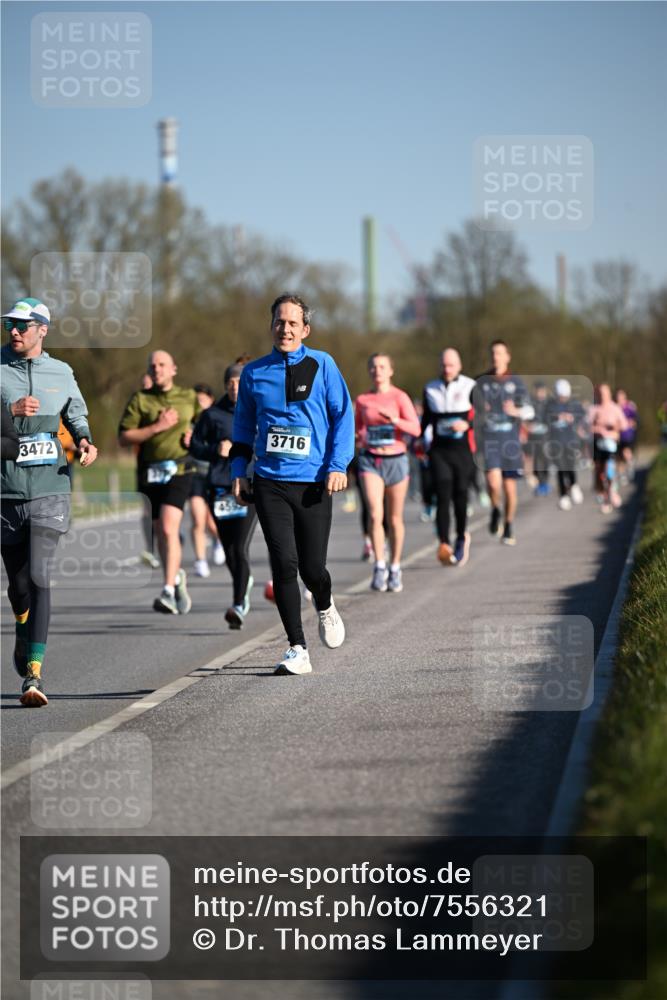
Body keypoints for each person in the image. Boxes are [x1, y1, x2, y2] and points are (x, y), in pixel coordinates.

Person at [231, 293, 354, 675]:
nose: (285, 329)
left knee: (313, 568)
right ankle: (297, 647)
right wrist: (238, 469)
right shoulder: (255, 373)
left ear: (305, 329)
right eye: (279, 322)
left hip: (315, 481)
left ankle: (325, 603)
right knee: (284, 563)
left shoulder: (323, 364)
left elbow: (342, 416)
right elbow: (242, 426)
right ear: (272, 327)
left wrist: (338, 465)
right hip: (270, 482)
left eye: (292, 323)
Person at [1, 298, 97, 706]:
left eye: (24, 325)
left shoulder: (62, 372)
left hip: (50, 488)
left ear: (43, 329)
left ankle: (34, 675)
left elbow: (76, 413)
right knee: (18, 586)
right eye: (11, 325)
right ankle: (23, 629)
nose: (14, 331)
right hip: (6, 491)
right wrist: (10, 409)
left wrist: (84, 439)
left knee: (40, 575)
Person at [118, 350, 202, 613]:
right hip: (150, 472)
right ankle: (176, 578)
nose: (157, 369)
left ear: (173, 369)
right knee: (160, 532)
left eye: (162, 365)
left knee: (167, 527)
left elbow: (205, 427)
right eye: (153, 366)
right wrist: (156, 427)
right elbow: (124, 437)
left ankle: (166, 591)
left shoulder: (189, 398)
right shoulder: (141, 400)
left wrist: (195, 437)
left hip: (179, 469)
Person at [190, 362, 258, 628]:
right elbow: (195, 445)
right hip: (219, 488)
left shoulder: (256, 410)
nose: (234, 386)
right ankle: (243, 582)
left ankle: (239, 603)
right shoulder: (212, 414)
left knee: (239, 547)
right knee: (229, 549)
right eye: (230, 381)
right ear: (224, 384)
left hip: (248, 486)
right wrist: (215, 448)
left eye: (239, 381)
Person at [355, 354, 421, 592]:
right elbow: (358, 430)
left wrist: (396, 421)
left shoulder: (399, 397)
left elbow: (415, 428)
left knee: (394, 519)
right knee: (374, 514)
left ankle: (395, 567)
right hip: (371, 460)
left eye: (382, 366)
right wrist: (361, 437)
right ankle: (379, 566)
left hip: (396, 460)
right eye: (373, 367)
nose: (377, 370)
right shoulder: (363, 400)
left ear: (391, 370)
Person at [474, 340, 534, 545]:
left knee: (510, 489)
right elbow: (470, 407)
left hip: (510, 442)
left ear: (507, 357)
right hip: (489, 441)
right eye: (493, 353)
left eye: (500, 353)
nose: (495, 356)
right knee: (493, 483)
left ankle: (508, 525)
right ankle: (495, 508)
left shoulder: (516, 382)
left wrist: (515, 411)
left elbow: (529, 410)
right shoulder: (481, 381)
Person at [421, 349, 476, 567]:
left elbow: (484, 415)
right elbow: (425, 419)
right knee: (442, 494)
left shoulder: (470, 386)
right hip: (439, 450)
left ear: (459, 366)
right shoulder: (430, 388)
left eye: (451, 365)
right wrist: (414, 438)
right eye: (444, 365)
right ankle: (444, 543)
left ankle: (462, 536)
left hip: (462, 450)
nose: (447, 369)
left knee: (460, 494)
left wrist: (467, 424)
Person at [189, 382, 226, 576]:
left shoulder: (216, 419)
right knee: (197, 519)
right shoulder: (188, 421)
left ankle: (218, 540)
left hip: (213, 474)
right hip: (193, 474)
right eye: (196, 401)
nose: (199, 403)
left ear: (211, 400)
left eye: (203, 400)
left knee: (212, 521)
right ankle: (200, 560)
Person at [545, 379, 585, 510]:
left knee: (570, 466)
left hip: (570, 441)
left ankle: (573, 485)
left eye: (565, 396)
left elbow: (582, 414)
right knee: (560, 469)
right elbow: (545, 417)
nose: (563, 398)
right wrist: (558, 417)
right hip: (556, 443)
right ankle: (563, 496)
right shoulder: (550, 405)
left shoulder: (573, 405)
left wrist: (572, 417)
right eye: (561, 396)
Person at [589, 384, 628, 513]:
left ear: (609, 394)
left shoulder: (615, 408)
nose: (603, 396)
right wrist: (597, 429)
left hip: (611, 445)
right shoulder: (594, 409)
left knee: (609, 470)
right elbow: (584, 427)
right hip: (597, 444)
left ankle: (611, 493)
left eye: (605, 393)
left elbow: (624, 425)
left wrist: (614, 430)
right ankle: (605, 495)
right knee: (600, 472)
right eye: (600, 393)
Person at [526, 381, 551, 495]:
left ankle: (545, 482)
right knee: (536, 460)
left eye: (542, 391)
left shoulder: (549, 403)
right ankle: (540, 483)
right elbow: (526, 418)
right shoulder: (531, 403)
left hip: (546, 436)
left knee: (545, 459)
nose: (540, 393)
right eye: (538, 391)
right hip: (533, 436)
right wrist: (528, 425)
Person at [614, 389, 639, 483]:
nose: (620, 399)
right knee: (619, 458)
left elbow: (635, 420)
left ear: (625, 398)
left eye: (621, 397)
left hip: (627, 435)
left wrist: (631, 423)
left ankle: (630, 463)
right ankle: (622, 475)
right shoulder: (615, 408)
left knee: (626, 452)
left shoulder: (629, 407)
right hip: (617, 436)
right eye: (618, 397)